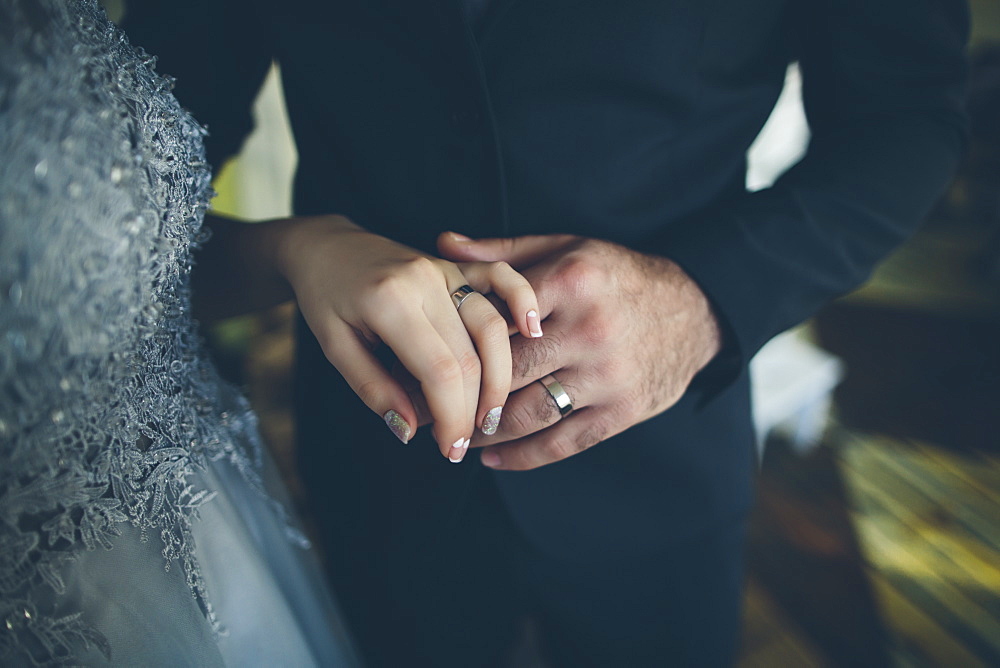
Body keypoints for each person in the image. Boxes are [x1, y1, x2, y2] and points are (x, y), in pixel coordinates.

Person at [123, 0, 971, 665]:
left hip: (660, 456)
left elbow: (905, 120)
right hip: (379, 450)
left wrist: (703, 298)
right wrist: (296, 248)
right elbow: (131, 178)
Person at [0, 0, 539, 664]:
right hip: (344, 491)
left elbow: (134, 225)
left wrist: (703, 302)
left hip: (679, 473)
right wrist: (297, 251)